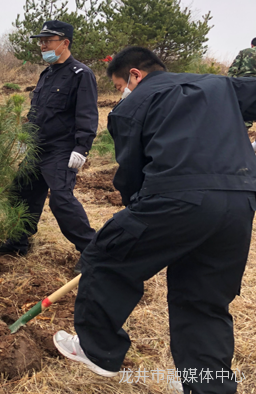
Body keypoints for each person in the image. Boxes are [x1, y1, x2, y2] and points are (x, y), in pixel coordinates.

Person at [53, 46, 256, 394]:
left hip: (176, 196)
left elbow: (131, 177)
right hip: (239, 201)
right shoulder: (220, 85)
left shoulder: (133, 104)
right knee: (202, 300)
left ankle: (98, 350)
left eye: (119, 85)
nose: (121, 93)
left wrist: (141, 225)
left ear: (134, 75)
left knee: (105, 255)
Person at [0, 20, 98, 274]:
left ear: (65, 43)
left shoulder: (81, 75)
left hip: (62, 149)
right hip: (37, 147)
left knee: (61, 200)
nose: (42, 46)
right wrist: (23, 139)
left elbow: (87, 114)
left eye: (47, 41)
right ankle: (19, 241)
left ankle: (92, 250)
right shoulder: (47, 74)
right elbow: (36, 112)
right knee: (22, 191)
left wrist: (81, 148)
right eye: (40, 41)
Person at [228, 38, 256, 131]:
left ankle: (242, 133)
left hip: (242, 85)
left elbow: (233, 70)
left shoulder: (244, 52)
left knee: (241, 111)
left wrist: (230, 84)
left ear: (252, 45)